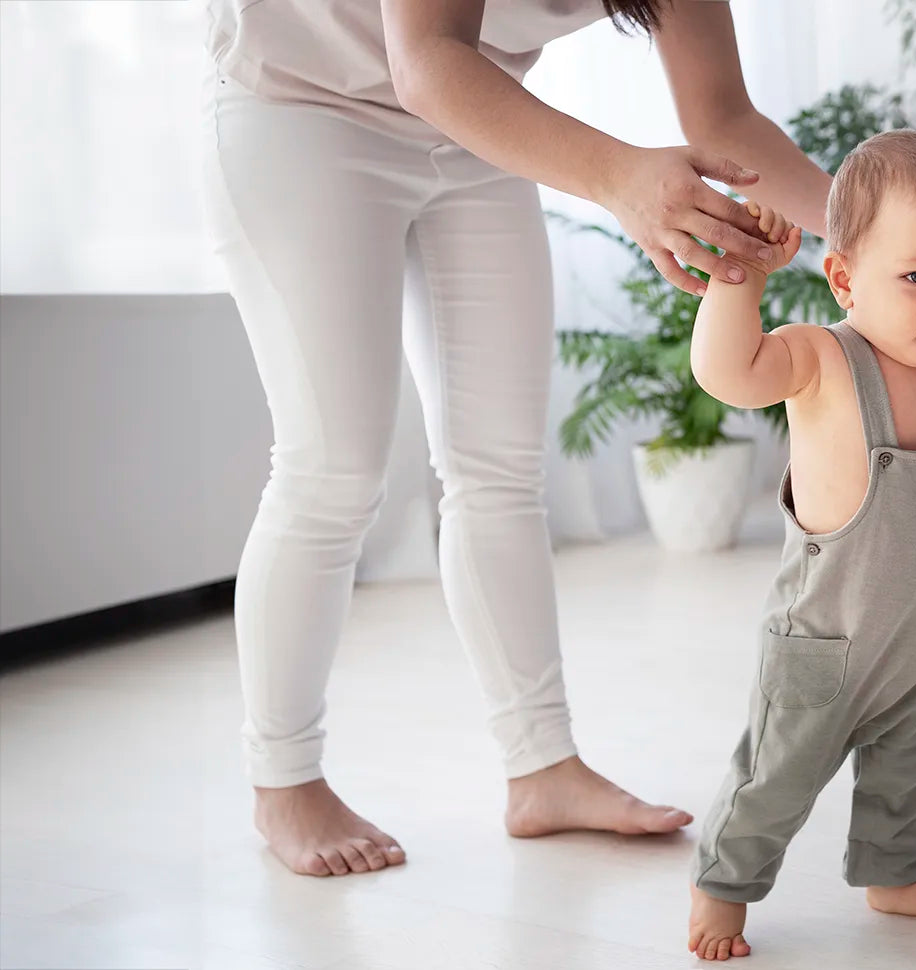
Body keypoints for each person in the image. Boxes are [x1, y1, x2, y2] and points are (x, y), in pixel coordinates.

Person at [201, 0, 832, 877]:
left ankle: (543, 769)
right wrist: (623, 179)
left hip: (475, 124)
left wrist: (880, 230)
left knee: (500, 470)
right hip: (302, 106)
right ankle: (284, 782)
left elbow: (724, 119)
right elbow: (425, 58)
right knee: (332, 470)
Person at [683, 129, 916, 961]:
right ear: (846, 276)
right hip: (823, 648)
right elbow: (729, 372)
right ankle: (723, 883)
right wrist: (735, 281)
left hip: (915, 648)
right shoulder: (825, 359)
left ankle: (892, 873)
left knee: (905, 778)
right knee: (776, 779)